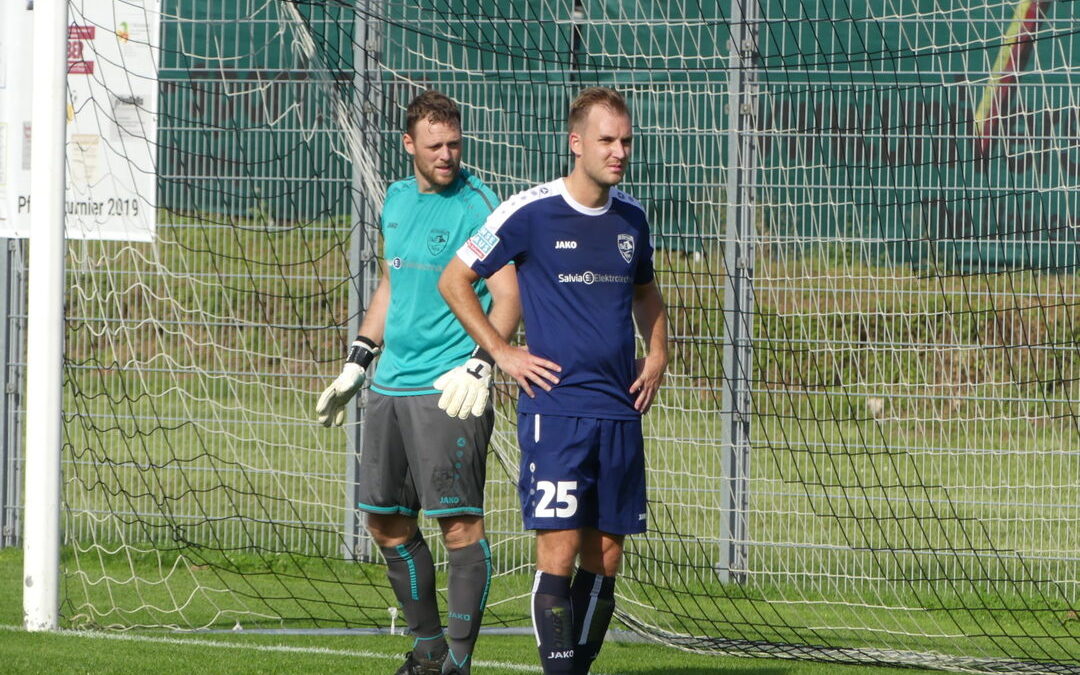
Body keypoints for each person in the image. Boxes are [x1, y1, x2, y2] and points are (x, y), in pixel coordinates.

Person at [438, 87, 668, 675]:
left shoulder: (633, 218)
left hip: (620, 411)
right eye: (607, 140)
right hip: (555, 411)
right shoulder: (529, 211)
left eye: (626, 141)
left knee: (607, 556)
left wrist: (659, 351)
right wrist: (500, 353)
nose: (619, 152)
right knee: (558, 552)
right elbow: (456, 278)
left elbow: (645, 290)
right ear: (576, 143)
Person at [315, 90, 519, 675]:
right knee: (384, 520)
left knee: (459, 523)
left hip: (450, 389)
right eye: (435, 146)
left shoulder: (481, 206)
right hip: (391, 386)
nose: (447, 155)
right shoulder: (397, 201)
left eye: (455, 144)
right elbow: (391, 284)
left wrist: (484, 361)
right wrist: (359, 357)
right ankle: (428, 649)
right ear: (409, 145)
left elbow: (508, 296)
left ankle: (456, 662)